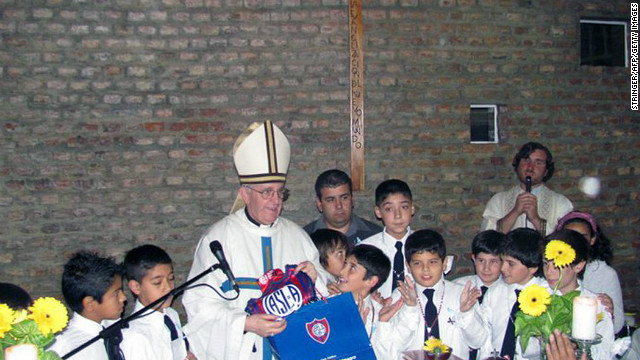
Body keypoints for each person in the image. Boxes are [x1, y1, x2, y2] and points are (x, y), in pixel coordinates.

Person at [182, 121, 325, 360]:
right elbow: (198, 305)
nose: (276, 200)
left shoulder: (297, 237)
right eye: (266, 192)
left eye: (280, 192)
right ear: (245, 194)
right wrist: (246, 323)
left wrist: (316, 277)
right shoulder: (218, 239)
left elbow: (325, 294)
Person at [395, 229, 487, 360]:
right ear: (408, 266)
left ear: (444, 263)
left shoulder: (461, 295)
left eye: (432, 262)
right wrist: (409, 309)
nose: (425, 269)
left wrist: (466, 313)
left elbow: (478, 342)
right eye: (417, 263)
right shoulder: (400, 295)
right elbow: (395, 345)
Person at [541, 229, 614, 360]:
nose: (549, 272)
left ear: (578, 266)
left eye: (557, 266)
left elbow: (605, 353)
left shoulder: (595, 305)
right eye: (545, 264)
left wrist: (576, 349)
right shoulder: (536, 297)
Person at [335, 244, 417, 359]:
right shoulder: (325, 305)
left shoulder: (380, 314)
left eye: (352, 267)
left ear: (371, 281)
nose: (342, 271)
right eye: (345, 264)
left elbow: (389, 356)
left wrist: (382, 322)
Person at [49, 251, 131, 360]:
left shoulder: (113, 330)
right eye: (116, 293)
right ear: (90, 304)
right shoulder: (71, 348)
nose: (123, 298)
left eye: (121, 291)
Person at [121, 244, 196, 360]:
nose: (168, 288)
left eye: (171, 279)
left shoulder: (171, 314)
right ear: (136, 287)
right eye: (157, 283)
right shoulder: (134, 336)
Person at [481, 142, 573, 235]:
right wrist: (515, 211)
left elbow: (566, 240)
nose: (530, 167)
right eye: (526, 160)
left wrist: (535, 219)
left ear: (546, 171)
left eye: (538, 163)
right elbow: (487, 237)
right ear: (518, 165)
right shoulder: (498, 200)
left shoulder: (561, 202)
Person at [556, 210, 624, 333]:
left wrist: (610, 313)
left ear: (592, 240)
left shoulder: (605, 274)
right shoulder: (552, 269)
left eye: (582, 237)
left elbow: (617, 325)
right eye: (568, 236)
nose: (574, 242)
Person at [452, 230, 510, 360]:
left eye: (494, 261)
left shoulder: (510, 293)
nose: (486, 268)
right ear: (473, 259)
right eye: (481, 260)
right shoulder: (457, 287)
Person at [498, 228, 548, 360]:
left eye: (511, 264)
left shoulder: (548, 296)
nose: (502, 268)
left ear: (532, 268)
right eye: (502, 261)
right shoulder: (496, 291)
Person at [360, 179, 415, 298]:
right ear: (378, 212)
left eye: (404, 207)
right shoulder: (365, 249)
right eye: (389, 209)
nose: (398, 215)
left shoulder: (424, 245)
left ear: (412, 209)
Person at [303, 169, 382, 245]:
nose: (339, 206)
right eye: (330, 200)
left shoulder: (376, 235)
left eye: (344, 198)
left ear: (352, 199)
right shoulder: (305, 239)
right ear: (319, 204)